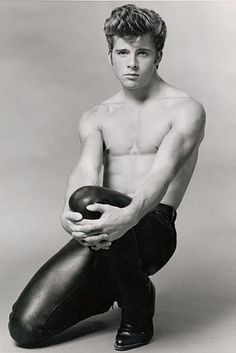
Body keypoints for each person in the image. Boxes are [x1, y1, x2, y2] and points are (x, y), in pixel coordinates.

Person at [8, 4, 205, 351]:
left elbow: (162, 173)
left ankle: (137, 303)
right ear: (110, 54)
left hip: (151, 225)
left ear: (157, 55)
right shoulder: (97, 116)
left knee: (89, 200)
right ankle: (113, 286)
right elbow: (85, 170)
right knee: (25, 328)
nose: (131, 63)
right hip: (103, 227)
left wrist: (128, 216)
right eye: (123, 52)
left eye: (142, 52)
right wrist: (67, 215)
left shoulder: (185, 109)